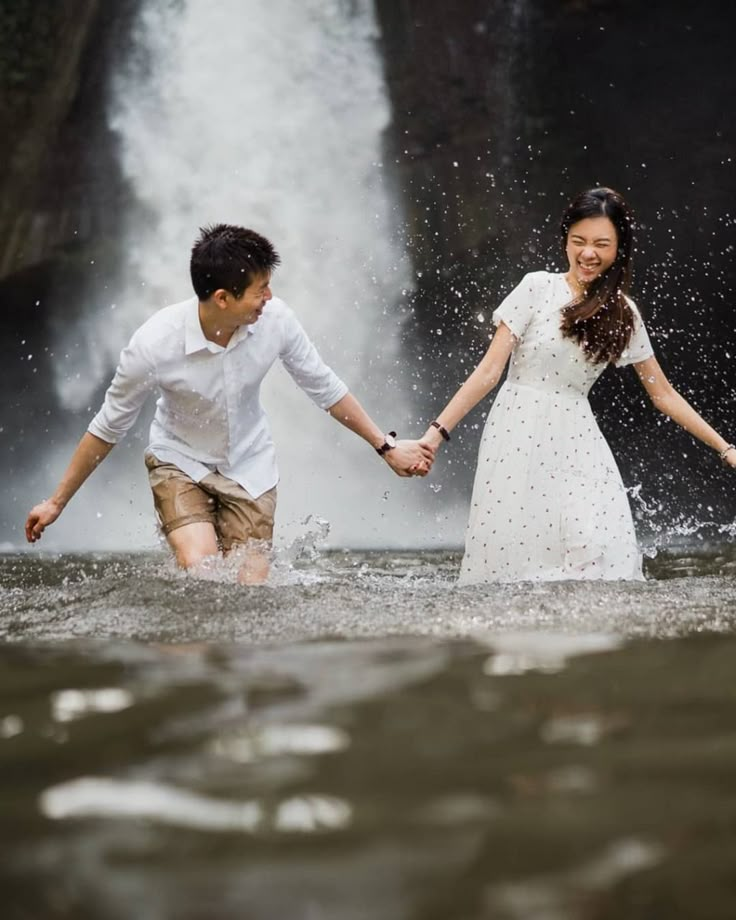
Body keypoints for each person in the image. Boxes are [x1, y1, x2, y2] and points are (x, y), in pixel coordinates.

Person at [25, 224, 434, 583]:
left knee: (249, 588)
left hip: (250, 464)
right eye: (260, 290)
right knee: (202, 571)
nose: (269, 298)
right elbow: (107, 427)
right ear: (222, 298)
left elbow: (323, 386)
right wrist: (56, 502)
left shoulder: (277, 321)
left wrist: (385, 446)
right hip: (178, 458)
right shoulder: (153, 345)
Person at [421, 187, 736, 583]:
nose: (589, 254)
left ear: (619, 247)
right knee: (520, 555)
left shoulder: (624, 313)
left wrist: (726, 449)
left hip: (578, 436)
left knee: (596, 546)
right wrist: (435, 435)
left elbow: (664, 394)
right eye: (579, 242)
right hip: (519, 429)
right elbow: (488, 372)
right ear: (566, 241)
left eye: (602, 244)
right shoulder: (536, 287)